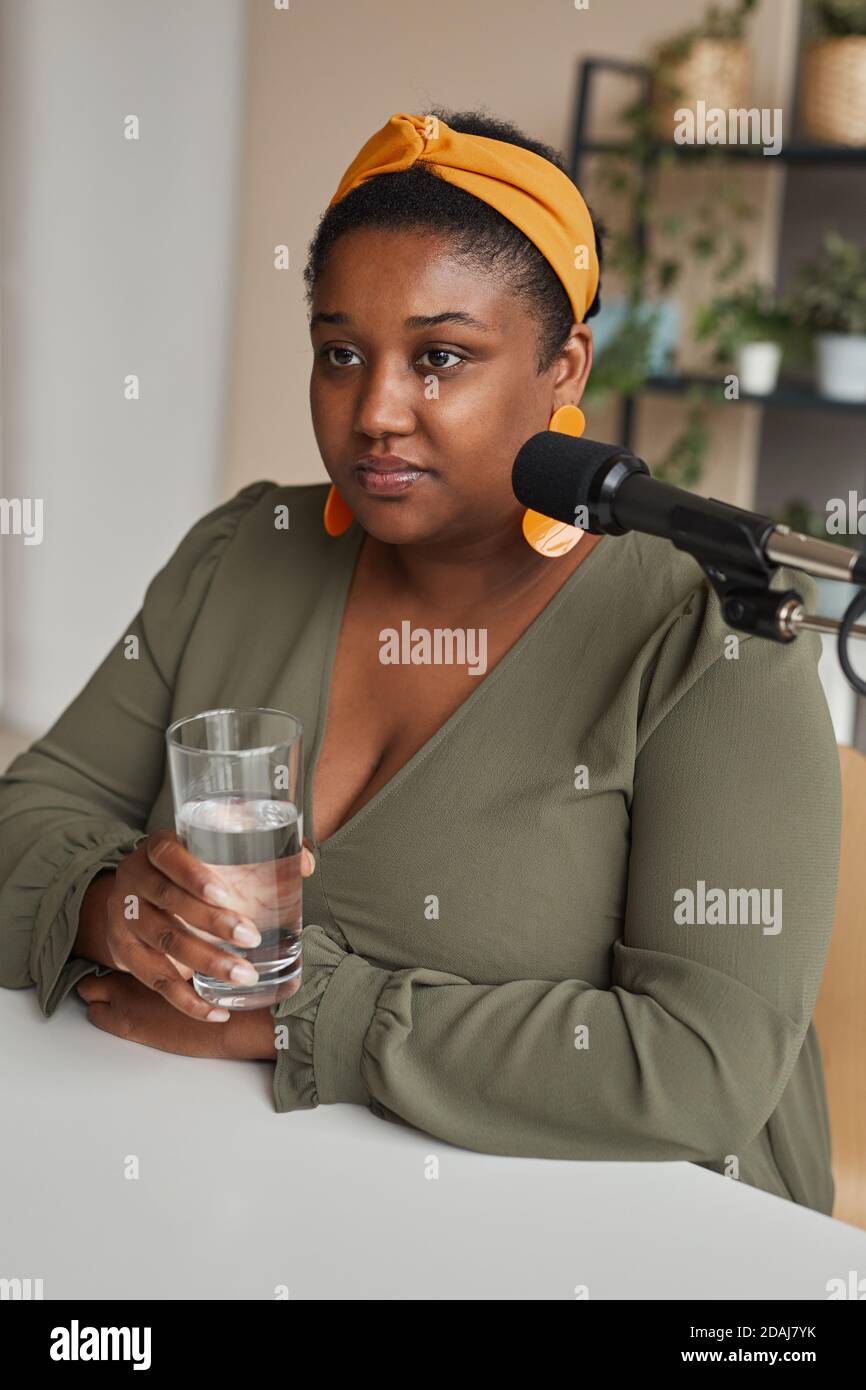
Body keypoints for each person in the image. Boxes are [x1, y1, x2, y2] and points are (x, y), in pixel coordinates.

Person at [0, 108, 841, 1213]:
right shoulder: (246, 552)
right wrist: (118, 909)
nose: (375, 412)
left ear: (562, 366)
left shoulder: (708, 631)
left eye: (439, 357)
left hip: (638, 1239)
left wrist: (301, 1016)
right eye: (339, 352)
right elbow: (31, 807)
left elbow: (697, 1068)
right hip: (256, 1198)